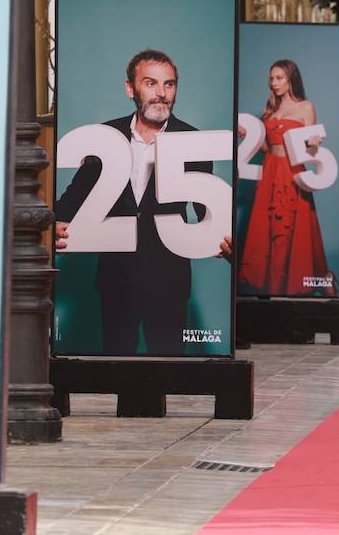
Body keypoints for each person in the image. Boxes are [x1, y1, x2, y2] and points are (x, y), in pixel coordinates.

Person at [55, 49, 232, 356]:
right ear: (130, 89)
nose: (161, 94)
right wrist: (55, 224)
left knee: (166, 368)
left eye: (169, 84)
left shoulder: (193, 141)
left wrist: (225, 241)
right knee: (117, 364)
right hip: (116, 277)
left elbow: (210, 214)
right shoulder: (104, 137)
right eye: (151, 83)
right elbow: (71, 201)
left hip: (169, 279)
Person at [237, 59, 333, 296]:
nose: (274, 83)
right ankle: (274, 286)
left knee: (294, 225)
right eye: (271, 78)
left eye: (279, 78)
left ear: (291, 80)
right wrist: (250, 136)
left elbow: (310, 147)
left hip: (292, 171)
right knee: (268, 225)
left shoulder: (305, 107)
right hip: (271, 169)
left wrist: (315, 143)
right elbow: (270, 149)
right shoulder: (270, 110)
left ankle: (304, 284)